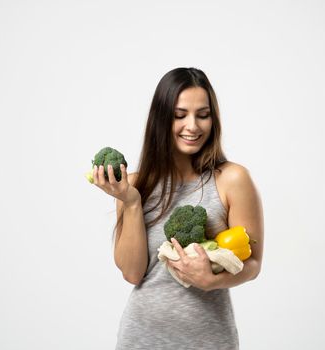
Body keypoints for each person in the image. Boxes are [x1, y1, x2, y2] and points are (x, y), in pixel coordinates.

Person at [91, 67, 264, 349]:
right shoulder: (134, 185)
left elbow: (253, 263)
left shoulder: (233, 179)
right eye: (180, 115)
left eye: (203, 115)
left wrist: (212, 281)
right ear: (161, 119)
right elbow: (132, 274)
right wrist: (131, 201)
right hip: (142, 338)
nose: (193, 126)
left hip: (210, 340)